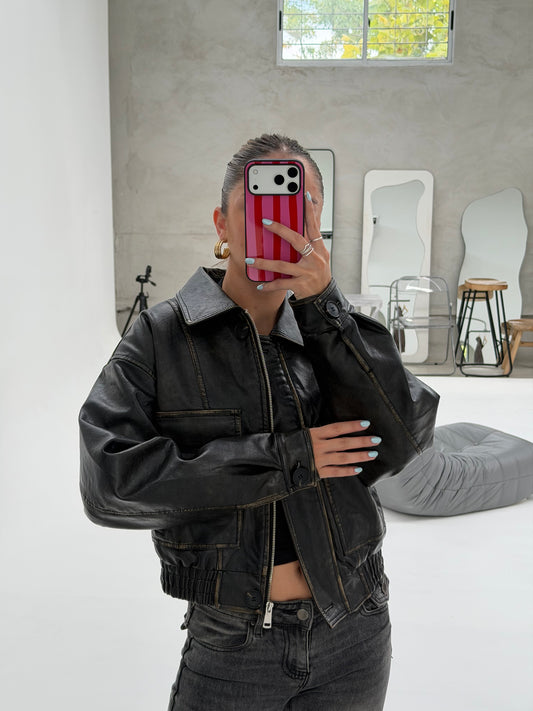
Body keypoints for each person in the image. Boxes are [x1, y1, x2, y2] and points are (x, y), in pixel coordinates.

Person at [79, 134, 439, 710]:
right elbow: (110, 483)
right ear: (222, 224)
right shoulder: (161, 337)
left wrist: (327, 310)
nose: (277, 222)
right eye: (257, 204)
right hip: (232, 644)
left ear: (317, 223)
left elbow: (404, 437)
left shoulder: (336, 328)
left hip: (357, 626)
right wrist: (291, 458)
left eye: (299, 204)